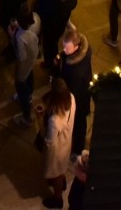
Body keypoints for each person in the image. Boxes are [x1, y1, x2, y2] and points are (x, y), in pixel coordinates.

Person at [37, 78, 76, 209]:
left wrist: (40, 119)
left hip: (57, 150)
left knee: (55, 173)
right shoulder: (71, 98)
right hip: (66, 143)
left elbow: (48, 141)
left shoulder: (55, 120)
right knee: (61, 168)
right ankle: (62, 180)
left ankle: (57, 199)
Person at [11, 9, 43, 124]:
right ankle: (29, 96)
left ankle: (26, 116)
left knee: (20, 84)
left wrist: (12, 35)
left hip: (24, 64)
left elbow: (21, 56)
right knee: (30, 76)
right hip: (32, 59)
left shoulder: (20, 37)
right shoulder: (34, 24)